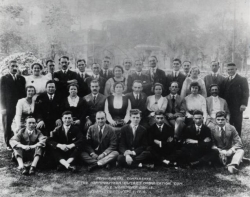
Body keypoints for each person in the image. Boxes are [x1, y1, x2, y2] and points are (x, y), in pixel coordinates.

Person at [0, 60, 26, 150]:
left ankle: (19, 141)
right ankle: (8, 144)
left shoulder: (21, 79)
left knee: (20, 123)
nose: (14, 68)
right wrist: (3, 107)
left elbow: (23, 93)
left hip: (19, 105)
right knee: (7, 124)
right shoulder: (4, 78)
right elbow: (1, 94)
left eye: (16, 66)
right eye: (12, 66)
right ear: (9, 68)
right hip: (8, 106)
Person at [221, 63, 249, 136]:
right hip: (227, 107)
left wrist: (243, 104)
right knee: (228, 123)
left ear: (236, 69)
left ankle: (237, 141)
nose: (230, 71)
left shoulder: (242, 79)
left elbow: (246, 92)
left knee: (237, 124)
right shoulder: (225, 80)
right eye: (228, 69)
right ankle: (229, 140)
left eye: (232, 69)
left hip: (237, 107)